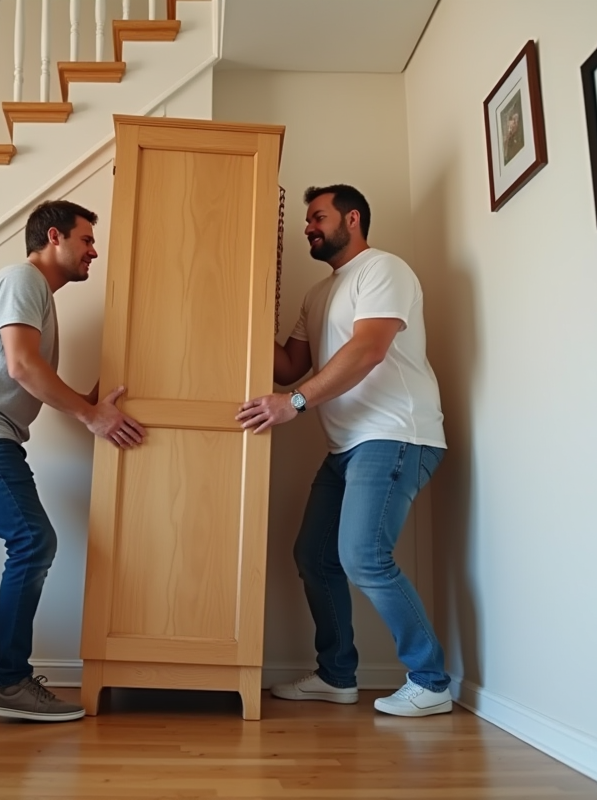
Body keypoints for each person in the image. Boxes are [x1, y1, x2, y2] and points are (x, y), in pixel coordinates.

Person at [0, 200, 146, 722]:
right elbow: (21, 366)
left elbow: (28, 372)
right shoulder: (24, 280)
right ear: (53, 237)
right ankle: (13, 683)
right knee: (33, 540)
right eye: (86, 239)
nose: (94, 250)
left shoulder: (33, 291)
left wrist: (91, 402)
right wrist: (89, 415)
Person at [236, 184, 451, 718]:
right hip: (347, 446)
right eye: (307, 219)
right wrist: (245, 307)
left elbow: (369, 348)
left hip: (395, 434)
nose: (309, 226)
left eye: (318, 217)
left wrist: (296, 403)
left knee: (363, 557)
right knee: (314, 555)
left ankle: (431, 681)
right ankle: (337, 675)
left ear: (352, 218)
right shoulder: (318, 293)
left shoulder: (385, 270)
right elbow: (288, 365)